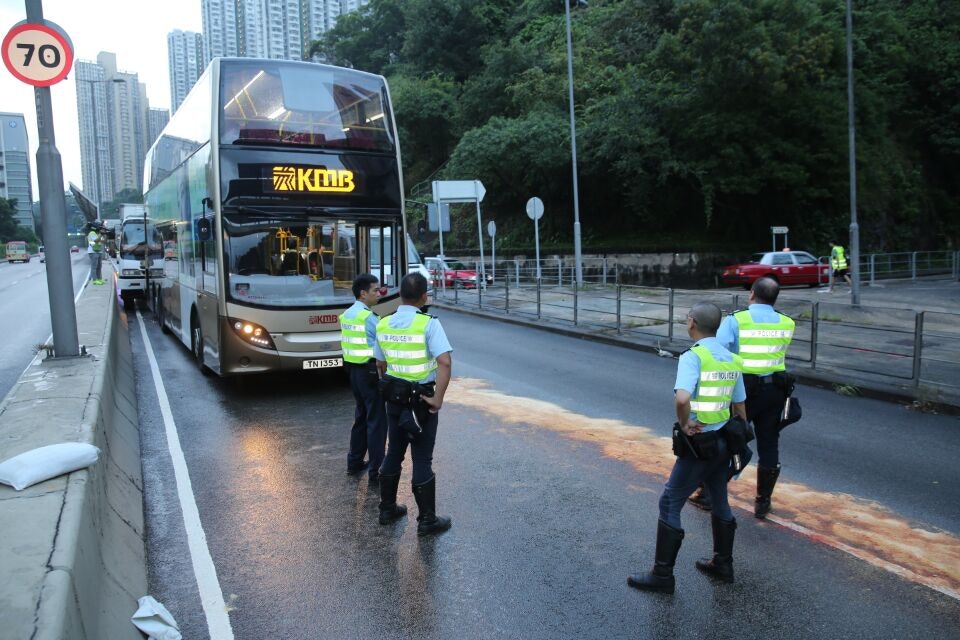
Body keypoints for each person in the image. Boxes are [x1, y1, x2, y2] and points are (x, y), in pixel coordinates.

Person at [628, 302, 746, 594]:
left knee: (669, 502)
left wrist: (684, 424)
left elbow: (682, 399)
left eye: (687, 318)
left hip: (700, 443)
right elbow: (740, 406)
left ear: (692, 322)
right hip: (723, 442)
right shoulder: (732, 359)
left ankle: (663, 575)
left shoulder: (694, 357)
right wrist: (736, 433)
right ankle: (723, 564)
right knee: (719, 498)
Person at [374, 273, 453, 536]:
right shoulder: (428, 323)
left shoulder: (383, 323)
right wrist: (438, 398)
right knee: (421, 457)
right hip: (421, 401)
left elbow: (380, 363)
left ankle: (387, 509)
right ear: (424, 296)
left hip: (394, 400)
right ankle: (427, 521)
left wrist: (392, 387)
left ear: (400, 295)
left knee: (394, 452)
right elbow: (445, 362)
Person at [716, 276, 795, 519]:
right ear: (775, 298)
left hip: (743, 390)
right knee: (769, 442)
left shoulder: (735, 320)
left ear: (752, 293)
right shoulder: (787, 322)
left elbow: (719, 352)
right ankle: (763, 502)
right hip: (775, 390)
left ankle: (710, 494)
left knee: (731, 437)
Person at [340, 274, 386, 483]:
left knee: (361, 416)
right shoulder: (370, 318)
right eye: (375, 290)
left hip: (353, 372)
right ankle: (377, 471)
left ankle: (355, 462)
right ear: (363, 293)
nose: (379, 293)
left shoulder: (347, 315)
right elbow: (383, 344)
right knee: (376, 421)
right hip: (369, 373)